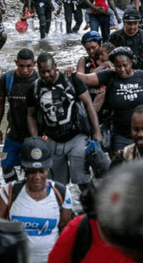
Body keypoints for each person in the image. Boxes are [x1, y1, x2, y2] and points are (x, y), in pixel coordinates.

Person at [0, 137, 73, 263]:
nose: (37, 177)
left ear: (48, 170)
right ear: (24, 170)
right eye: (31, 171)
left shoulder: (62, 194)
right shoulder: (9, 193)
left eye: (41, 171)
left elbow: (64, 229)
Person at [27, 52, 102, 190]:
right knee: (56, 183)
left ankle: (92, 208)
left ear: (55, 66)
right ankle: (64, 210)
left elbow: (89, 105)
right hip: (51, 140)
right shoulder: (35, 88)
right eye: (42, 72)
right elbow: (31, 115)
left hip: (76, 137)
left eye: (49, 71)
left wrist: (96, 132)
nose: (46, 75)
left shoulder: (71, 80)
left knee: (82, 179)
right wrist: (36, 139)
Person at [71, 46, 143, 153]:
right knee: (121, 166)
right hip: (120, 135)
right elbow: (87, 79)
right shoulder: (109, 76)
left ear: (131, 62)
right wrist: (72, 73)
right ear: (113, 65)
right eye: (118, 66)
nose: (122, 70)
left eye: (125, 66)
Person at [0, 49, 39, 183]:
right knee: (6, 166)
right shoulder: (7, 79)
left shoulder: (40, 80)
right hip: (13, 133)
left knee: (32, 170)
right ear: (16, 63)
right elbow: (0, 103)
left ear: (34, 64)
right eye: (21, 66)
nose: (25, 70)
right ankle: (13, 192)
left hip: (35, 135)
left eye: (28, 66)